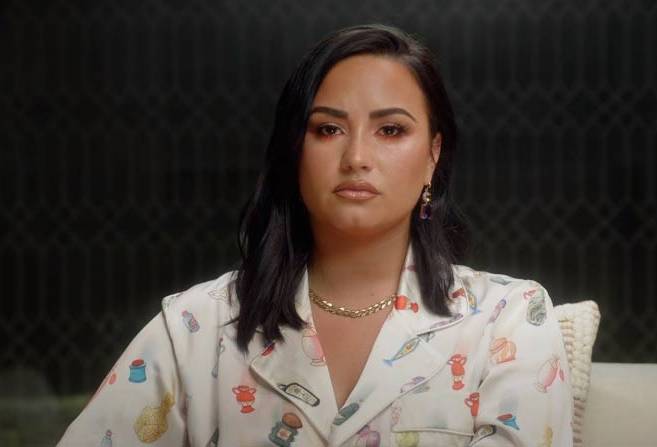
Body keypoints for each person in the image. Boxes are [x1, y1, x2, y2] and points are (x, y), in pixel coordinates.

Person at [58, 23, 573, 447]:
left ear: (432, 156)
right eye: (328, 129)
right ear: (294, 150)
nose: (356, 157)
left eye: (391, 130)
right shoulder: (196, 326)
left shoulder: (509, 320)